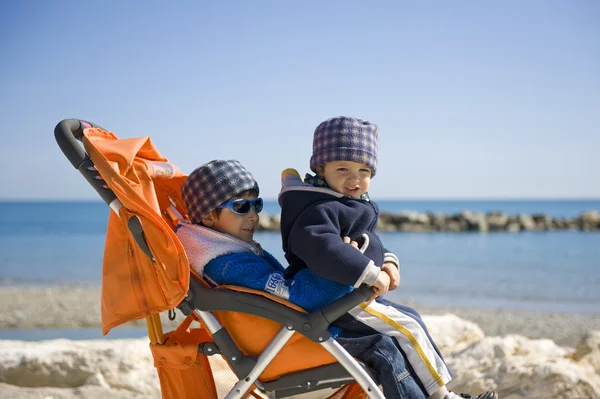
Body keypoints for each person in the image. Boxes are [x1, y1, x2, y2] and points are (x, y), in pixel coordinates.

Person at [278, 116, 498, 399]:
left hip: (349, 294)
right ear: (321, 168)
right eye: (342, 168)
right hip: (331, 297)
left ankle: (438, 394)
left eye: (364, 170)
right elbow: (323, 249)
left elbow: (371, 241)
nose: (354, 178)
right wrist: (370, 273)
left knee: (411, 318)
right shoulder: (317, 207)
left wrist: (389, 261)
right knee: (409, 329)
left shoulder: (347, 202)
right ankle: (444, 396)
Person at [176, 159, 429, 398]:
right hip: (287, 348)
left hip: (286, 338)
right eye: (241, 207)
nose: (253, 216)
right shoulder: (231, 265)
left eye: (257, 205)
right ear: (208, 216)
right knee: (384, 345)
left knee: (402, 324)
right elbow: (299, 296)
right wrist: (344, 265)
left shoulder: (227, 255)